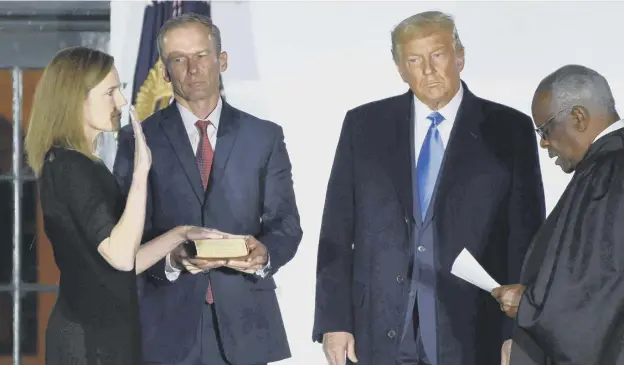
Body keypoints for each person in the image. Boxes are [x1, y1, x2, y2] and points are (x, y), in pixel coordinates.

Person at [313, 11, 546, 365]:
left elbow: (525, 238)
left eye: (437, 55)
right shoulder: (363, 126)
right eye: (413, 60)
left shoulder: (508, 130)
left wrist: (517, 333)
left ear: (460, 57)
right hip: (377, 329)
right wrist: (334, 321)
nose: (428, 70)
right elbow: (336, 228)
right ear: (400, 68)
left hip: (472, 330)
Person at [24, 46, 233, 365]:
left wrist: (181, 233)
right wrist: (141, 171)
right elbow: (121, 257)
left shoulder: (79, 164)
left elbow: (126, 262)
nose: (122, 102)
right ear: (74, 98)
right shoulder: (70, 166)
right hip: (89, 341)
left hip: (106, 334)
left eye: (119, 91)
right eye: (110, 92)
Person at [113, 13, 302, 365]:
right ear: (165, 72)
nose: (192, 69)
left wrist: (264, 254)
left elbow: (286, 225)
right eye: (178, 60)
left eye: (201, 56)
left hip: (246, 328)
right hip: (165, 328)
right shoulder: (138, 139)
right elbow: (127, 239)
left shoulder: (264, 137)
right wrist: (172, 259)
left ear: (222, 60)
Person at [493, 65, 624, 365]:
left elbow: (601, 291)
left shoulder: (608, 174)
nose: (544, 143)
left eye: (546, 129)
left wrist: (527, 307)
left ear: (578, 117)